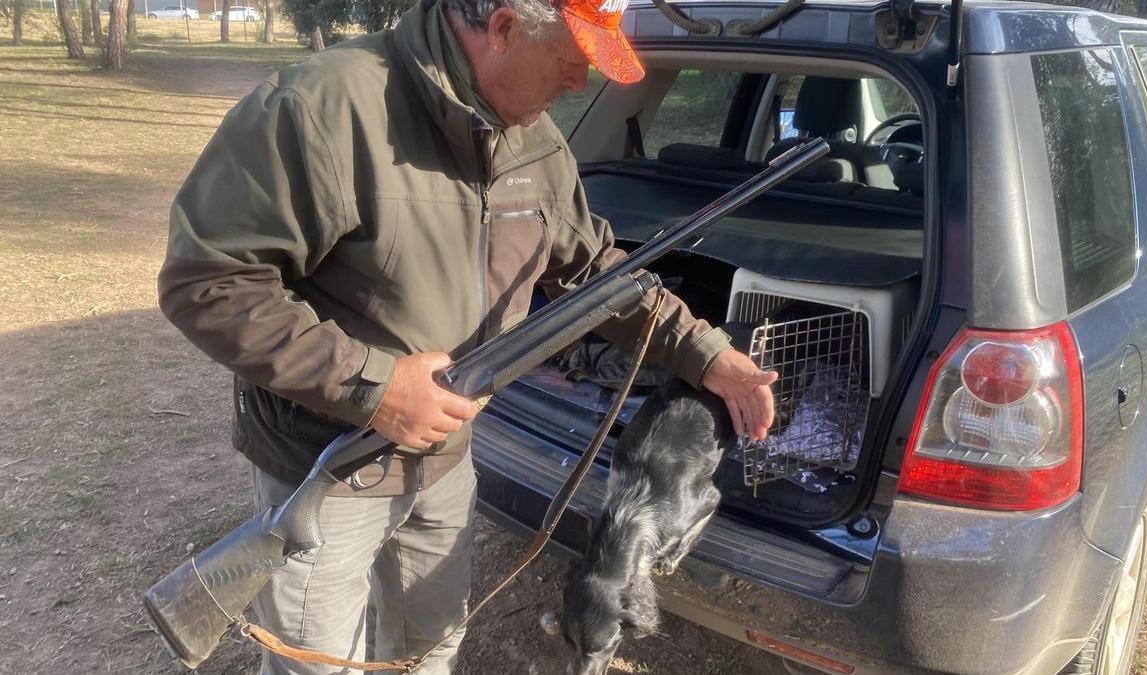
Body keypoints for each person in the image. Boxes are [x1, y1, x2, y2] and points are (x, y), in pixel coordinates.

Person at [158, 0, 776, 672]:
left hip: (446, 462)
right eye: (570, 62)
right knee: (317, 665)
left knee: (432, 645)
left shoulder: (535, 140)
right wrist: (375, 387)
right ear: (504, 28)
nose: (579, 83)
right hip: (325, 464)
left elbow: (597, 274)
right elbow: (208, 281)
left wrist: (706, 355)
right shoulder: (320, 109)